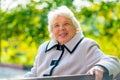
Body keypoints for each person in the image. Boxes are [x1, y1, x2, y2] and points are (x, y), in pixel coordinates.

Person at [24, 6, 120, 80]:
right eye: (56, 25)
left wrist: (100, 67)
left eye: (66, 24)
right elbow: (34, 74)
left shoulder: (85, 45)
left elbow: (113, 61)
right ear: (52, 30)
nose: (61, 28)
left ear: (75, 27)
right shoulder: (43, 48)